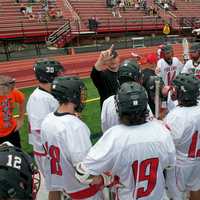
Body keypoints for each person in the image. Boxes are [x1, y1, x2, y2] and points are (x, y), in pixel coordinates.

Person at [75, 82, 176, 200]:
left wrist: (106, 179)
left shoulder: (114, 136)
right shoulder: (161, 130)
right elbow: (169, 164)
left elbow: (82, 174)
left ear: (119, 107)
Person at [40, 76, 104, 200]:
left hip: (63, 186)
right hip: (83, 191)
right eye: (79, 93)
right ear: (71, 96)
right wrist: (103, 178)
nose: (82, 97)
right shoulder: (75, 127)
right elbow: (84, 171)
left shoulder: (47, 119)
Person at [164, 74, 200, 200]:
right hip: (197, 159)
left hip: (180, 162)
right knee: (195, 188)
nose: (174, 91)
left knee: (176, 195)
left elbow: (168, 143)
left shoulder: (176, 116)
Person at [26, 58, 64, 173]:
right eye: (57, 73)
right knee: (56, 187)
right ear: (48, 76)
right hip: (47, 152)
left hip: (53, 149)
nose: (60, 75)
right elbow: (39, 130)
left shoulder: (50, 93)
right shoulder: (38, 99)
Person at [101, 59, 153, 132]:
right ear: (137, 79)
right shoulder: (142, 97)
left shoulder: (107, 102)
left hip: (116, 140)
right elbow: (149, 124)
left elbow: (105, 129)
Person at [0, 75, 25, 148]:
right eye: (5, 92)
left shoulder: (12, 91)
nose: (7, 94)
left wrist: (21, 119)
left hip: (12, 131)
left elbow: (22, 100)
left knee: (17, 153)